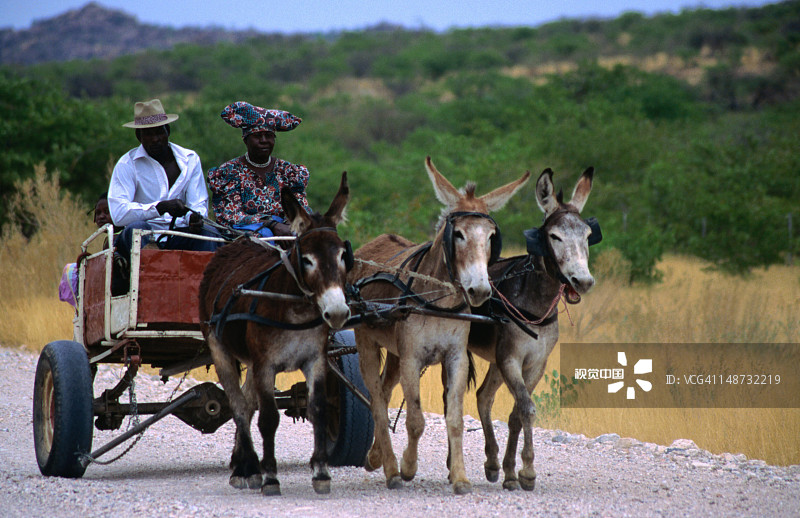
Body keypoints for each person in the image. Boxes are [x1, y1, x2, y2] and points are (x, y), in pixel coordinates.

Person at [108, 99, 222, 265]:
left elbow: (198, 204)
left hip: (181, 233)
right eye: (148, 134)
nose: (155, 139)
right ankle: (147, 279)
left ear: (167, 131)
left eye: (159, 132)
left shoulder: (190, 159)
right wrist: (160, 208)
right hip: (145, 234)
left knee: (209, 232)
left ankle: (204, 286)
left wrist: (193, 217)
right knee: (137, 229)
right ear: (138, 136)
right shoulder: (127, 164)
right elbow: (118, 214)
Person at [207, 101, 310, 237]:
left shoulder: (287, 171)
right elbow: (230, 215)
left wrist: (289, 226)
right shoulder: (229, 172)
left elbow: (300, 206)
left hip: (285, 228)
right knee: (265, 235)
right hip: (245, 232)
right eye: (257, 136)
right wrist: (271, 225)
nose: (263, 140)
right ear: (245, 140)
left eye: (269, 136)